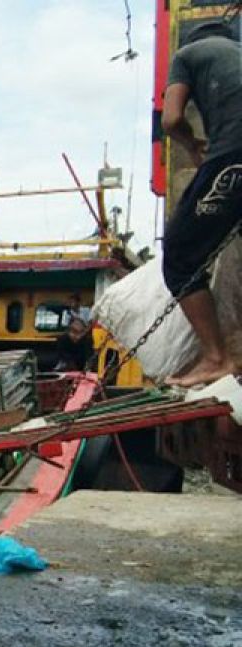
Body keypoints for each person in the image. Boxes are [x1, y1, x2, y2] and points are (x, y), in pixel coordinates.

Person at [160, 20, 242, 387]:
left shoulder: (187, 54)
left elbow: (172, 118)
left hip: (234, 155)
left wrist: (192, 145)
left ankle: (215, 358)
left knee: (181, 256)